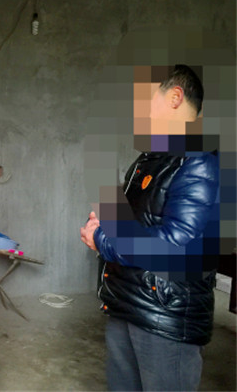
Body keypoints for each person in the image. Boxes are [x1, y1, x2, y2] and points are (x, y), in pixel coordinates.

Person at [80, 65, 219, 391]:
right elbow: (137, 221)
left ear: (175, 97)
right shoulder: (151, 159)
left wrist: (102, 239)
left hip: (165, 320)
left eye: (143, 99)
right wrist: (105, 220)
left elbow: (172, 246)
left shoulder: (199, 162)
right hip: (128, 304)